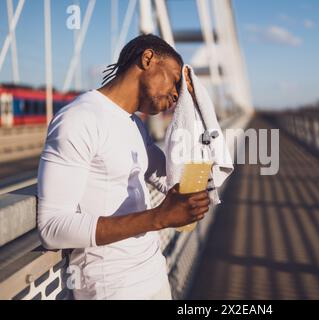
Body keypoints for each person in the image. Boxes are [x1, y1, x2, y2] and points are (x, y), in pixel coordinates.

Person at [37, 34, 210, 300]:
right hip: (113, 288)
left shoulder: (134, 125)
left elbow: (173, 180)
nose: (177, 94)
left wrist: (194, 111)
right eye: (175, 81)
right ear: (148, 58)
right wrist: (159, 218)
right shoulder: (79, 118)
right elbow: (52, 228)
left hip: (153, 273)